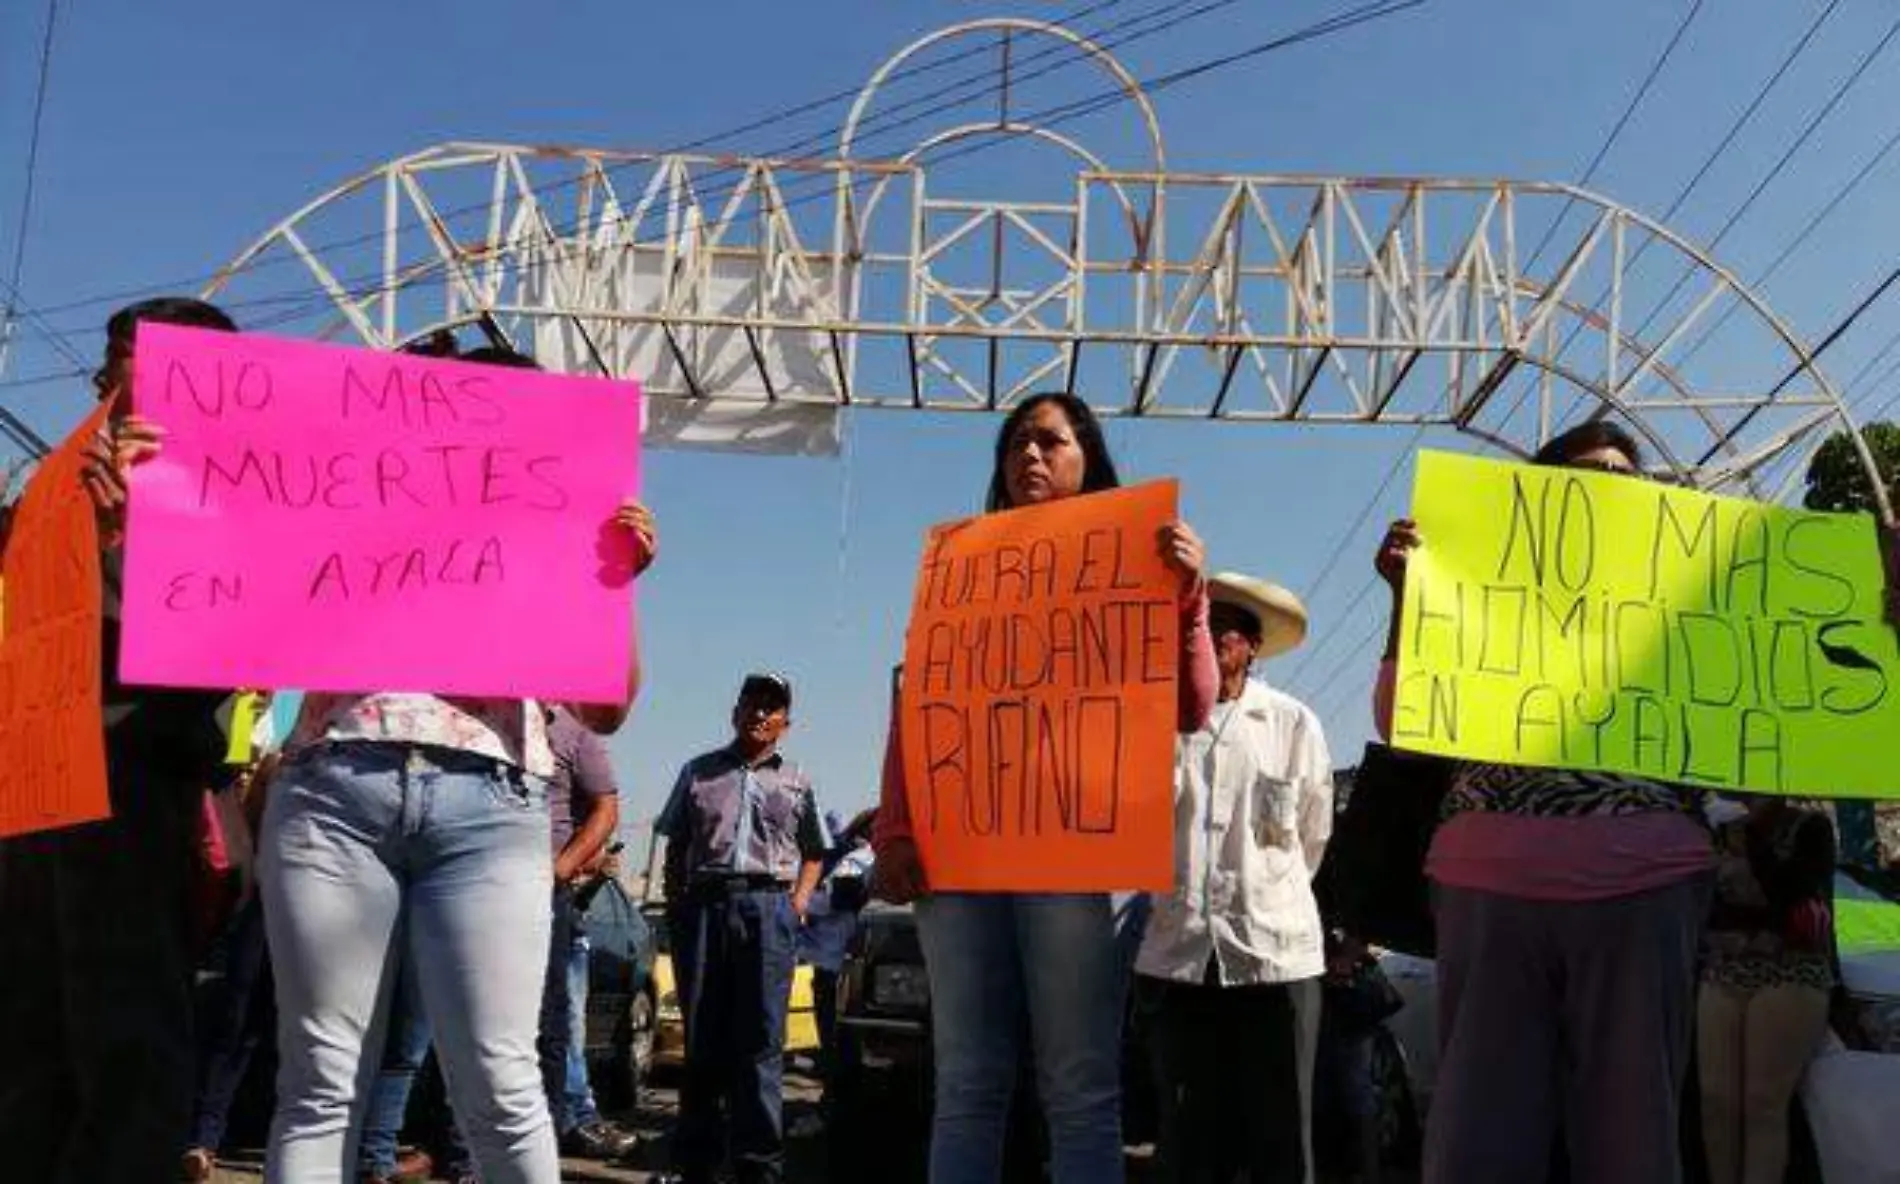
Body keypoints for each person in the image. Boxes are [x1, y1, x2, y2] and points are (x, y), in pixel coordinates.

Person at [252, 344, 655, 1183]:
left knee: (502, 1084)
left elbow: (607, 705)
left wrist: (615, 584)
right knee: (322, 1082)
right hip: (337, 786)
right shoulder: (352, 486)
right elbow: (238, 580)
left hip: (490, 799)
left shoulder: (555, 522)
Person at [872, 390, 1218, 1184]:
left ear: (1087, 459)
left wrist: (1189, 598)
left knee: (1080, 1089)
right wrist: (895, 831)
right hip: (958, 858)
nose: (1029, 455)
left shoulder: (1144, 564)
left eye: (1050, 442)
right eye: (1015, 443)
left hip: (1075, 857)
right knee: (966, 1083)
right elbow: (918, 709)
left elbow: (1192, 708)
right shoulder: (960, 568)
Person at [1371, 422, 1716, 1184]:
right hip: (1489, 882)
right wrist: (1409, 600)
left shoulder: (1692, 595)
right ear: (1539, 493)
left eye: (1629, 474)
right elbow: (1402, 726)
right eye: (1590, 471)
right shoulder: (1483, 592)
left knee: (1632, 1138)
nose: (1612, 483)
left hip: (1650, 884)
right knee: (1480, 1137)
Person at [0, 297, 241, 1182]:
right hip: (33, 784)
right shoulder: (60, 479)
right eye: (112, 370)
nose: (115, 388)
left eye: (133, 367)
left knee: (122, 1037)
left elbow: (229, 642)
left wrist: (145, 532)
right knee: (32, 1031)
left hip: (136, 783)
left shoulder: (237, 491)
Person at [1135, 572, 1333, 1184]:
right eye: (1200, 626)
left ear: (1251, 646)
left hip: (1276, 958)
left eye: (1229, 629)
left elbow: (1312, 834)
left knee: (1282, 1137)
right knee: (1191, 1137)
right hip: (1178, 956)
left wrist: (1264, 896)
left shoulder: (1292, 723)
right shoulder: (1151, 723)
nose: (1214, 638)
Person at [656, 672, 831, 1184]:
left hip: (768, 912)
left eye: (771, 707)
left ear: (786, 724)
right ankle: (696, 1165)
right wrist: (679, 908)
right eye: (751, 703)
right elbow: (675, 846)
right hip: (705, 909)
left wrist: (796, 902)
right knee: (703, 1042)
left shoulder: (796, 779)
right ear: (734, 712)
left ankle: (759, 1168)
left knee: (759, 1044)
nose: (759, 713)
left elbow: (815, 851)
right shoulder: (698, 772)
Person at [1697, 797, 1837, 1184]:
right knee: (1716, 1101)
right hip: (1724, 967)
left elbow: (1792, 897)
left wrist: (1756, 833)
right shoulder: (1715, 825)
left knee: (1763, 1102)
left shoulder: (1810, 827)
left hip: (1788, 970)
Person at [794, 808, 876, 1135]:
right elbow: (838, 899)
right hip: (837, 967)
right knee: (838, 1051)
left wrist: (795, 900)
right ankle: (832, 1114)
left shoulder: (859, 859)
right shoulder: (857, 858)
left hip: (839, 970)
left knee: (838, 1050)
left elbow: (835, 900)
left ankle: (832, 1114)